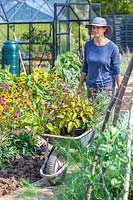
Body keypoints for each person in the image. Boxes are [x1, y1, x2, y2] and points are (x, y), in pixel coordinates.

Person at [77, 17, 122, 99]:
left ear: (104, 29)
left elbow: (116, 70)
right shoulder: (88, 45)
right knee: (92, 111)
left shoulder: (112, 47)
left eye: (98, 28)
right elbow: (85, 67)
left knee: (106, 111)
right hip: (91, 87)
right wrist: (80, 85)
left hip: (107, 88)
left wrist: (120, 88)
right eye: (93, 27)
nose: (95, 30)